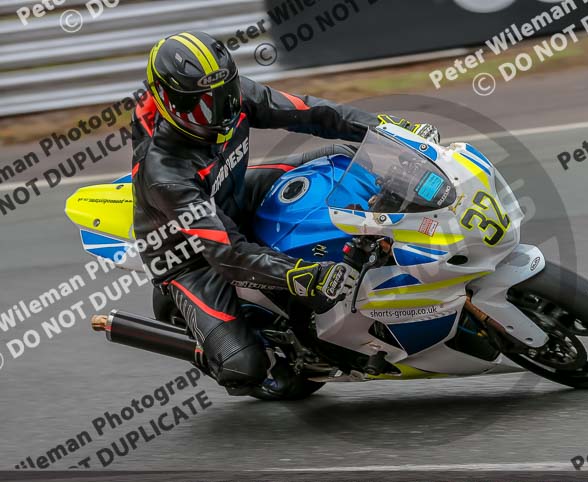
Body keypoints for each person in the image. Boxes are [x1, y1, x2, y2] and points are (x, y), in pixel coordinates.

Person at [131, 31, 439, 394]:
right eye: (198, 104)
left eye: (222, 95)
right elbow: (226, 253)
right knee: (243, 368)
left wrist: (387, 131)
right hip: (191, 256)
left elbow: (313, 113)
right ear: (168, 100)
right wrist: (301, 275)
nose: (216, 112)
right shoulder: (165, 171)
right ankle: (209, 338)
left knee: (338, 158)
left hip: (234, 194)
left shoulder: (232, 98)